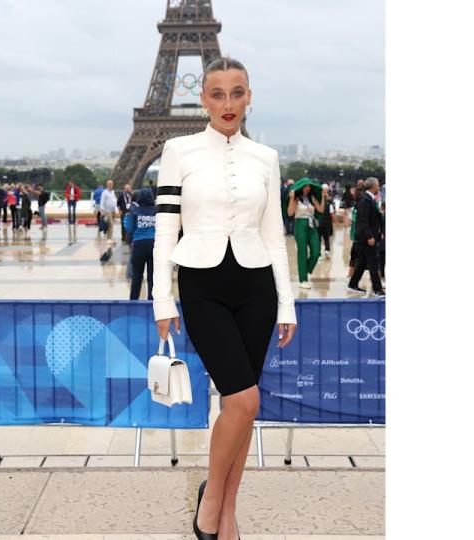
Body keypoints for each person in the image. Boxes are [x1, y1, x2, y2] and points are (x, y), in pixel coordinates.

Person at [152, 56, 297, 540]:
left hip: (255, 285)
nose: (228, 103)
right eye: (218, 94)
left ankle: (226, 514)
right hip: (202, 285)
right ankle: (212, 498)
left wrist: (286, 301)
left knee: (243, 408)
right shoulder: (178, 150)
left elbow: (274, 232)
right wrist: (161, 300)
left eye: (238, 92)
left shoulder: (267, 158)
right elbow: (166, 230)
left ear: (250, 96)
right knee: (244, 398)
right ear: (203, 100)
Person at [347, 177, 385, 296]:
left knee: (363, 261)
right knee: (373, 262)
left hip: (371, 236)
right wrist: (369, 236)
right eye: (378, 185)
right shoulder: (365, 200)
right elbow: (363, 220)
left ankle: (352, 284)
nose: (379, 187)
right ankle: (377, 289)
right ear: (373, 186)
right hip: (367, 237)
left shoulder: (370, 199)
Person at [286, 177, 325, 289]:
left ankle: (305, 269)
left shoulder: (312, 197)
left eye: (309, 186)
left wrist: (323, 196)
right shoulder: (296, 198)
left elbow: (321, 210)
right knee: (302, 252)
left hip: (312, 224)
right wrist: (292, 198)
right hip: (300, 224)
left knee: (316, 252)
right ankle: (303, 279)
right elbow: (290, 213)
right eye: (305, 186)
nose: (307, 188)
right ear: (301, 186)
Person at [123, 188, 156, 299]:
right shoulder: (157, 210)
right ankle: (151, 303)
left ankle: (133, 302)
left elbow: (130, 228)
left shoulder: (134, 210)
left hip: (139, 245)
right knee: (152, 277)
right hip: (153, 245)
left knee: (137, 276)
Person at [317, 183, 335, 256]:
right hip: (326, 223)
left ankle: (319, 252)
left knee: (319, 238)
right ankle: (327, 250)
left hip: (320, 222)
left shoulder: (318, 201)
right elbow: (332, 214)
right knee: (326, 238)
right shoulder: (329, 204)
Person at [100, 179, 118, 245]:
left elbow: (114, 201)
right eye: (109, 184)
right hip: (107, 212)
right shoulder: (104, 192)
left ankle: (110, 239)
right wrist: (102, 211)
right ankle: (109, 239)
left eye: (111, 184)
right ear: (107, 185)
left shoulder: (113, 192)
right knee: (110, 225)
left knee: (110, 226)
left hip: (112, 211)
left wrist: (115, 209)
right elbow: (102, 202)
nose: (110, 185)